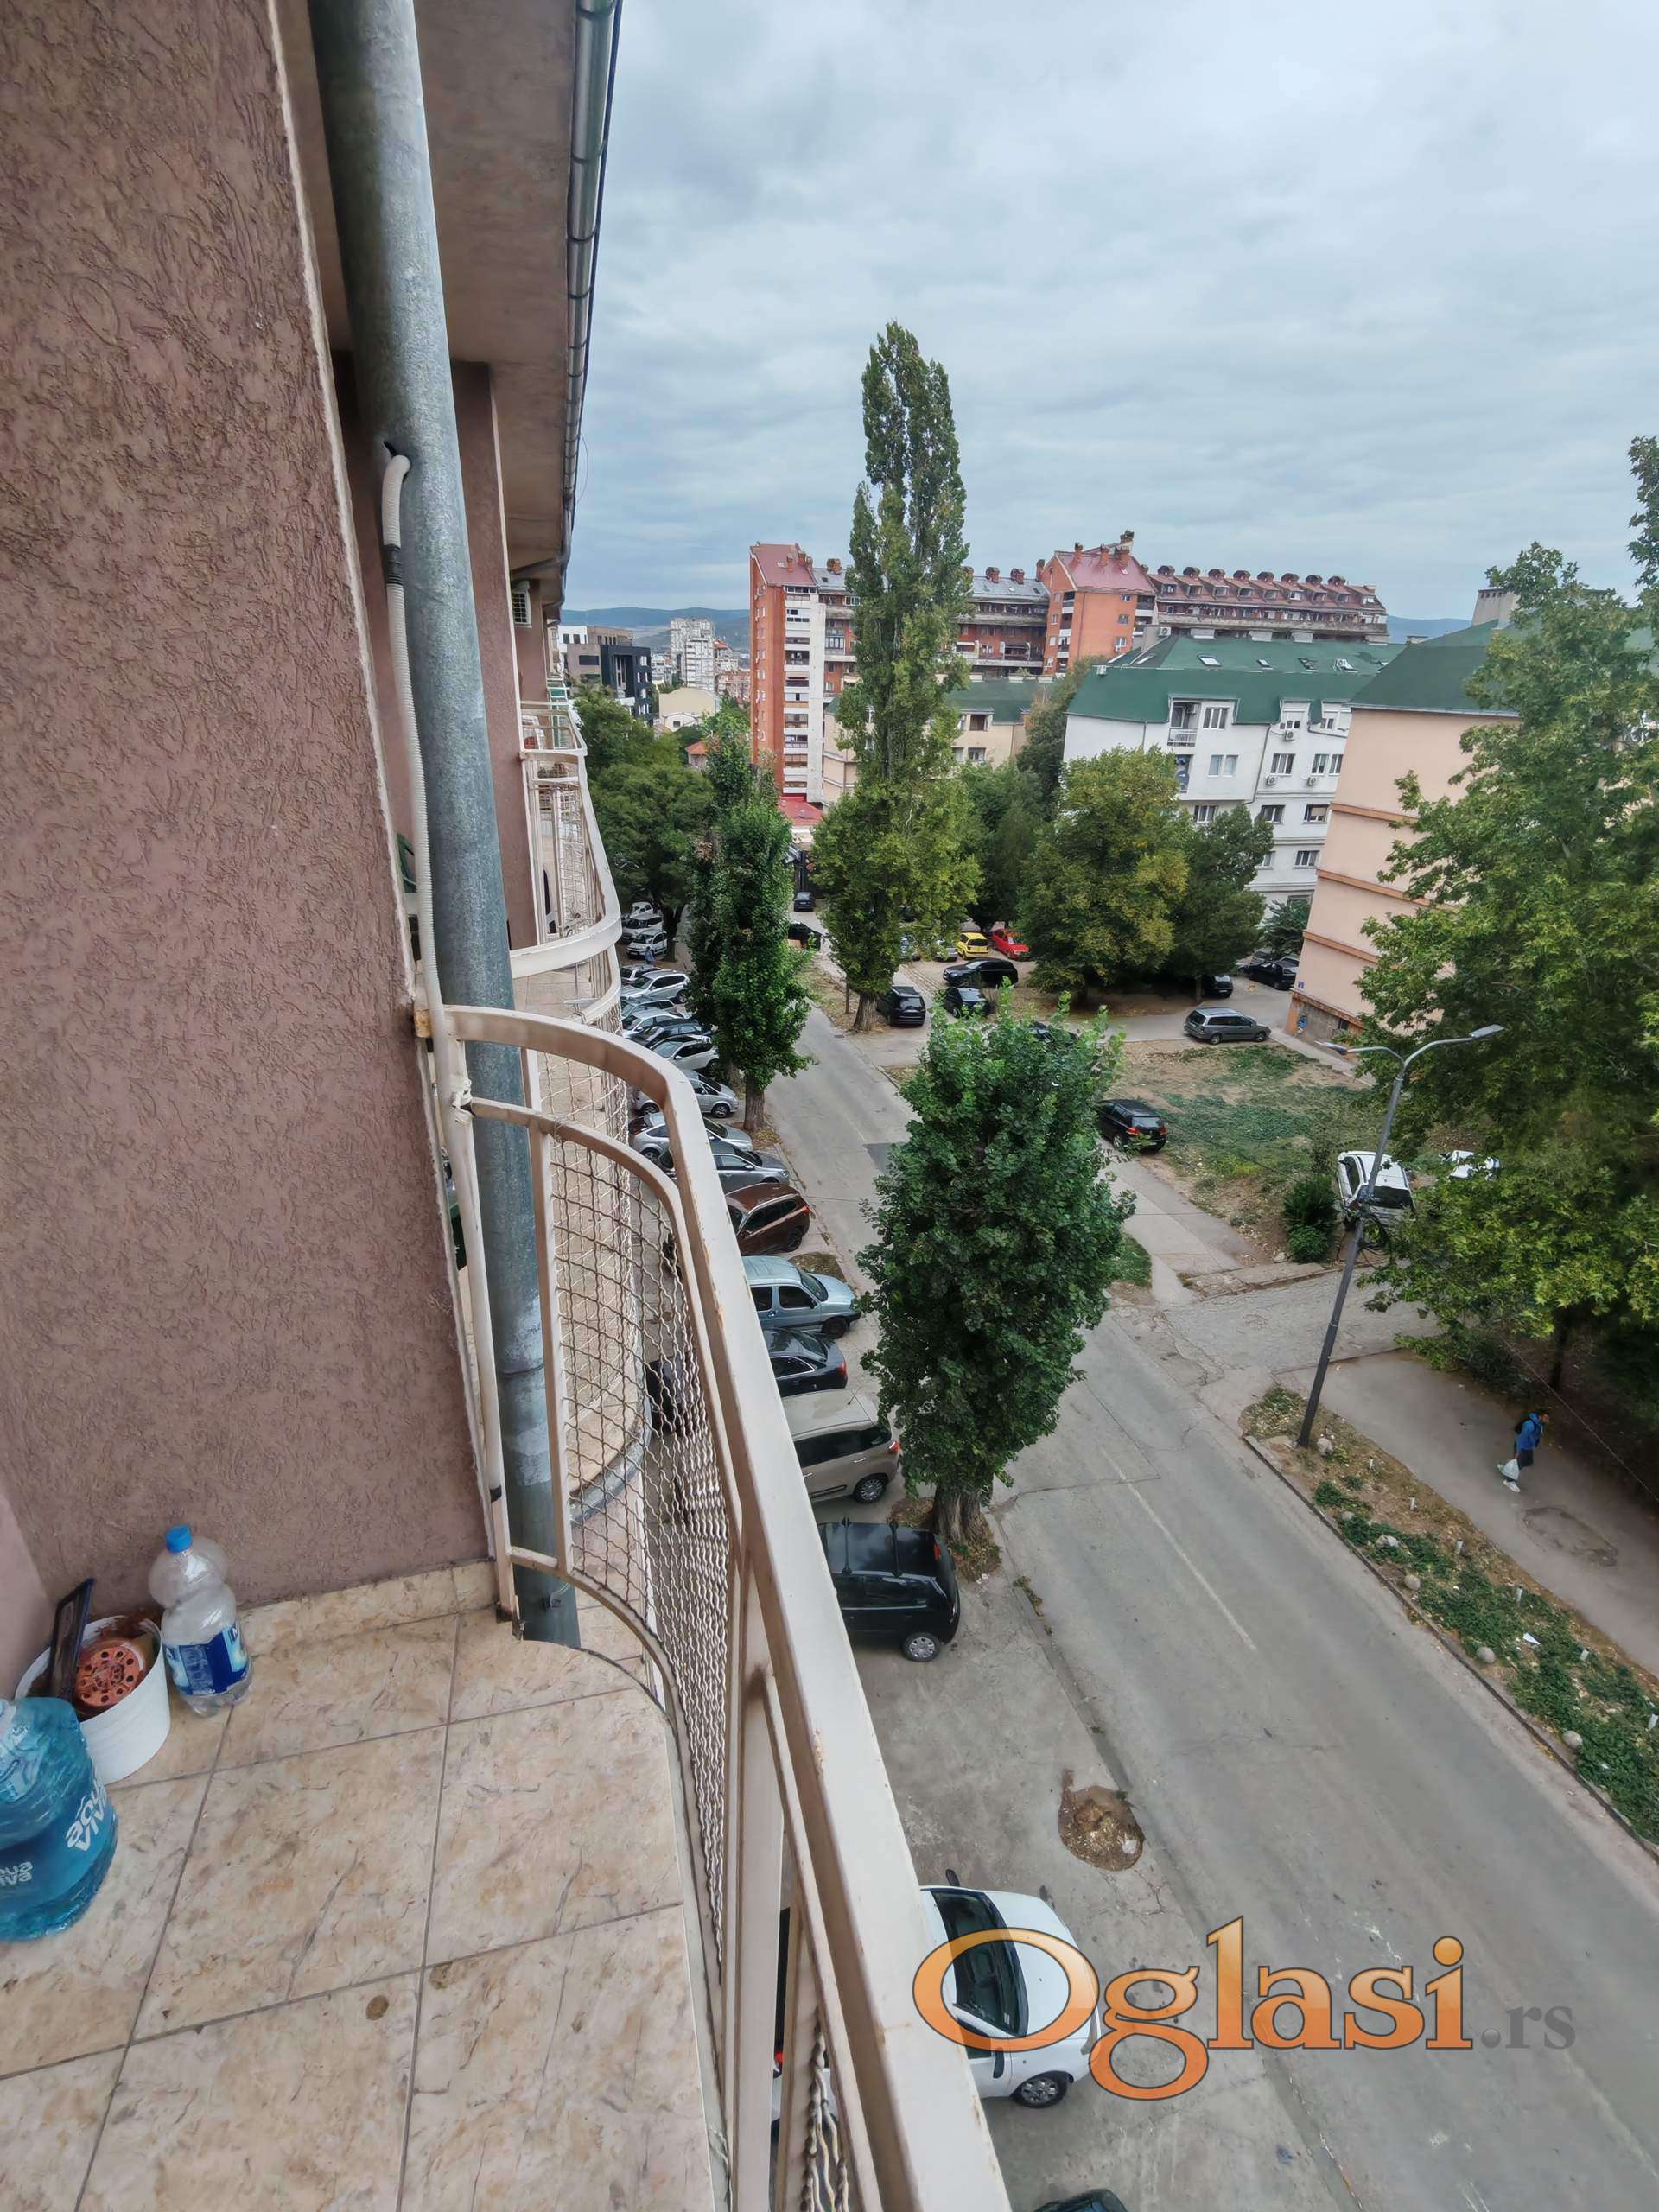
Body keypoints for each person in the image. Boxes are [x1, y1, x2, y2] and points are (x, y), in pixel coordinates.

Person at [1499, 1409, 1545, 1491]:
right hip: (1522, 1447)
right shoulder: (1530, 1425)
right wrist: (1518, 1451)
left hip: (1528, 1447)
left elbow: (1535, 1436)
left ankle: (1506, 1467)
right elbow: (1522, 1438)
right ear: (1541, 1416)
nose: (1548, 1420)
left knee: (1529, 1462)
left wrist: (1535, 1443)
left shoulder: (1540, 1424)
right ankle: (1509, 1481)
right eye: (1547, 1417)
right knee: (1518, 1464)